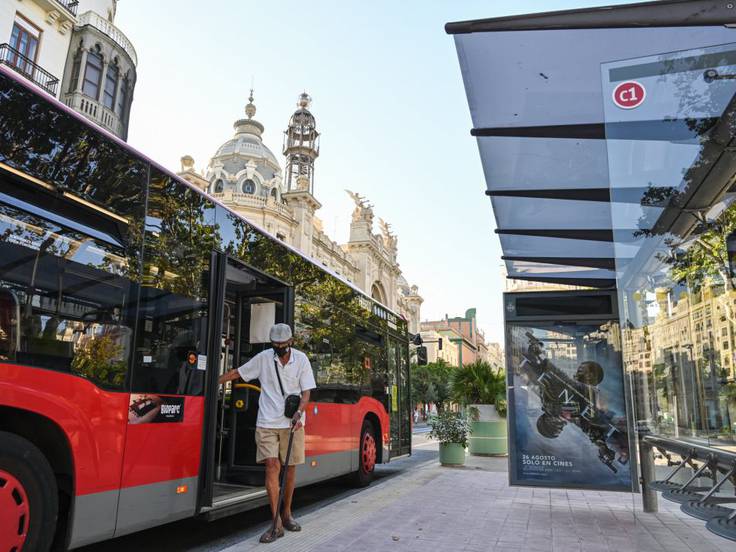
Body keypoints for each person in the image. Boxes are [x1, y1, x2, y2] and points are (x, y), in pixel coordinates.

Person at [218, 323, 316, 543]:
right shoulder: (264, 358)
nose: (279, 347)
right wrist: (212, 382)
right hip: (267, 422)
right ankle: (276, 523)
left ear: (291, 342)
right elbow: (238, 373)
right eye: (275, 344)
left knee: (290, 470)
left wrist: (299, 413)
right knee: (272, 466)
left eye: (283, 344)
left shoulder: (301, 360)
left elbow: (307, 392)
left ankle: (287, 513)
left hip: (293, 423)